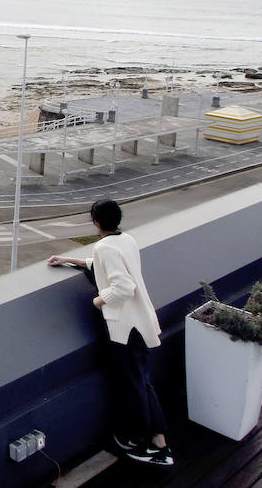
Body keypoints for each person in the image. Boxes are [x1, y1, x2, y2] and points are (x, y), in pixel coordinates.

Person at [48, 199, 173, 467]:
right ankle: (160, 440)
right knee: (142, 381)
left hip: (126, 329)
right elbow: (104, 264)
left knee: (133, 386)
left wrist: (98, 301)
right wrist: (70, 260)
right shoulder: (126, 240)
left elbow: (123, 287)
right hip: (142, 322)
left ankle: (141, 442)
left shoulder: (104, 247)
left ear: (96, 222)